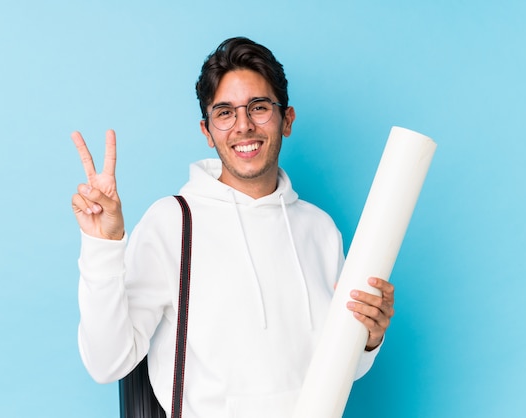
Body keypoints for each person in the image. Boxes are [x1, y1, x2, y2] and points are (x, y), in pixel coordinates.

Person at [71, 37, 395, 417]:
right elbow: (107, 362)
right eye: (224, 113)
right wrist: (103, 245)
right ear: (207, 131)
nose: (243, 126)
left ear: (286, 119)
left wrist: (369, 338)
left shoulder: (320, 230)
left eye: (258, 108)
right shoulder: (172, 223)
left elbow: (343, 369)